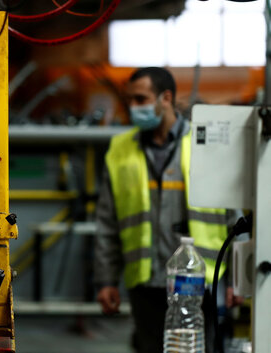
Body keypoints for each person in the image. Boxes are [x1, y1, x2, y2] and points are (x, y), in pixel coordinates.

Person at [94, 67, 237, 353]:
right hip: (145, 280)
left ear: (166, 98)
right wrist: (106, 279)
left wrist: (235, 280)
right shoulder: (121, 149)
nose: (134, 108)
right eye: (130, 100)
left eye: (141, 99)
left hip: (198, 281)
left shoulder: (205, 144)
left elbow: (232, 217)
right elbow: (108, 222)